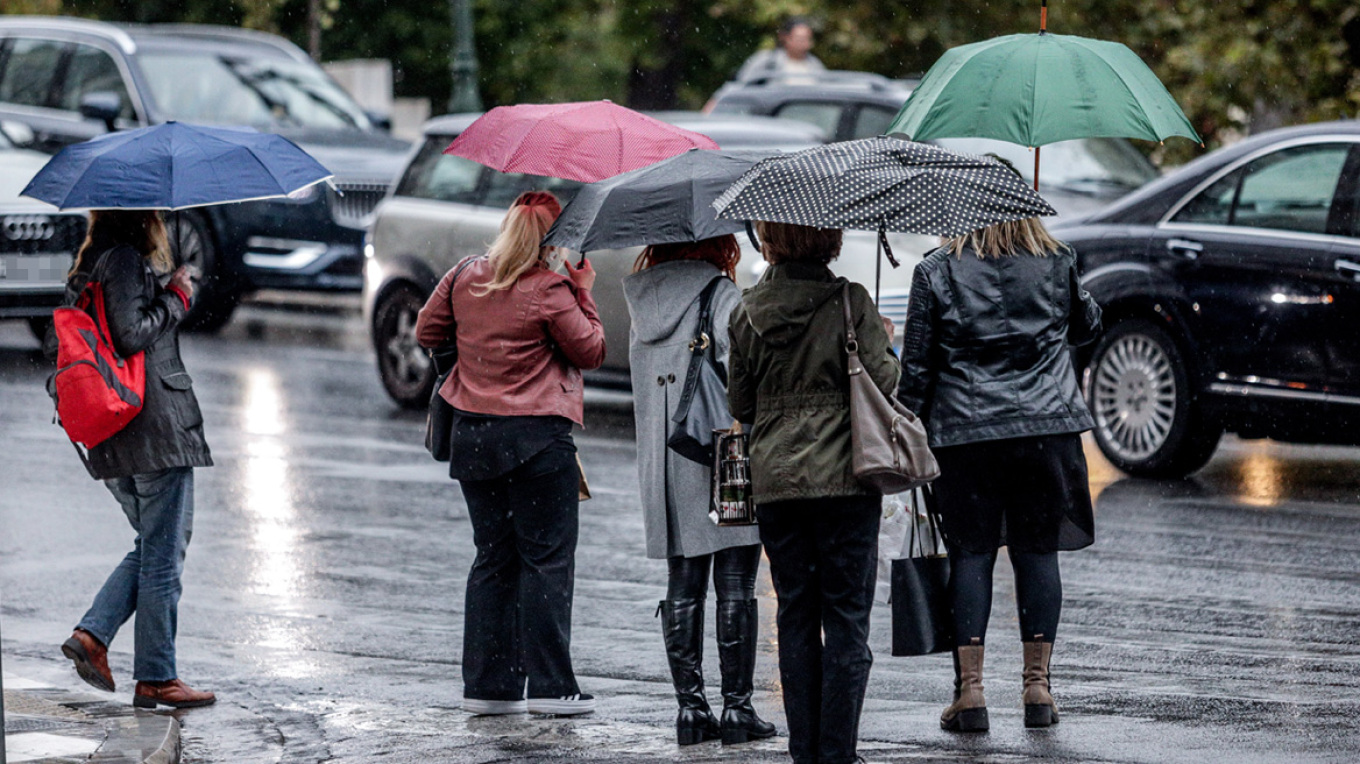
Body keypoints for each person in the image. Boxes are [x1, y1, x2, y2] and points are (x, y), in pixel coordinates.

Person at [896, 215, 1102, 732]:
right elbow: (1086, 328)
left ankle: (971, 695)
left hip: (966, 437)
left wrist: (903, 429)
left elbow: (917, 366)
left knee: (971, 555)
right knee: (1038, 552)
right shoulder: (1058, 260)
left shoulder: (937, 271)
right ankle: (1037, 689)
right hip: (1045, 431)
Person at [415, 191, 605, 717]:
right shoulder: (550, 289)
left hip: (474, 436)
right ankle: (551, 687)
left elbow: (426, 330)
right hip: (537, 440)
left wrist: (474, 345)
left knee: (493, 558)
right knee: (545, 561)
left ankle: (489, 685)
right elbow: (591, 350)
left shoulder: (464, 274)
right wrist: (583, 291)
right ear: (552, 242)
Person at [727, 221, 898, 764]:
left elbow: (741, 405)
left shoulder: (746, 311)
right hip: (847, 479)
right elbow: (884, 382)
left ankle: (805, 751)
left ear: (770, 240)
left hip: (777, 484)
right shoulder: (851, 301)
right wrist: (883, 340)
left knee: (796, 614)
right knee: (846, 617)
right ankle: (838, 752)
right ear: (831, 239)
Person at [52, 210, 216, 709]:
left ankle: (94, 636)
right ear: (142, 218)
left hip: (118, 431)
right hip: (151, 427)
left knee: (153, 546)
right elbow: (130, 333)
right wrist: (177, 296)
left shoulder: (92, 265)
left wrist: (161, 287)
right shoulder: (123, 261)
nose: (162, 222)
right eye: (157, 214)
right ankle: (156, 676)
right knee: (163, 554)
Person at [623, 235, 777, 746]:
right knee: (735, 583)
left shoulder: (641, 301)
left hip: (666, 458)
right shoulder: (720, 295)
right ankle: (737, 708)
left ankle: (691, 710)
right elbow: (744, 377)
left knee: (683, 583)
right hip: (721, 453)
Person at [736, 17, 826, 83]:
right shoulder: (767, 61)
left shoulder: (815, 64)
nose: (805, 43)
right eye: (800, 39)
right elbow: (742, 84)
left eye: (808, 38)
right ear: (785, 38)